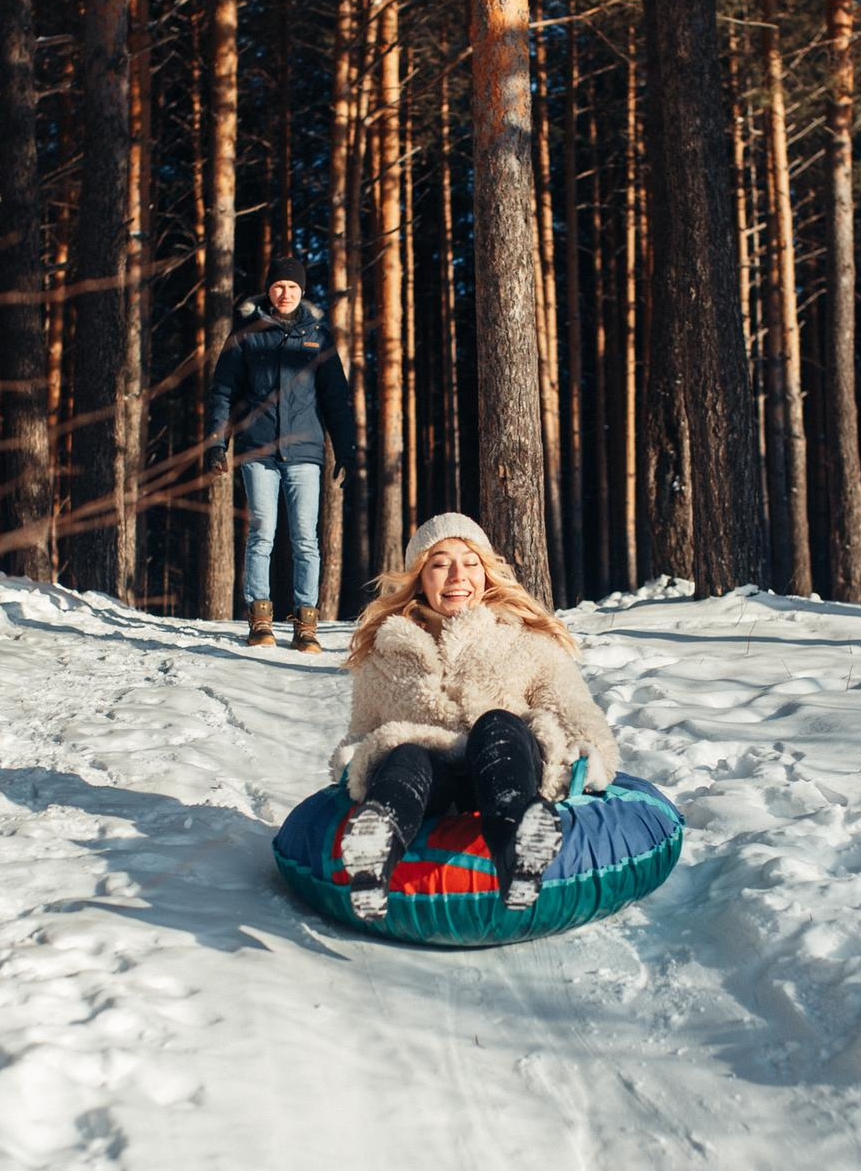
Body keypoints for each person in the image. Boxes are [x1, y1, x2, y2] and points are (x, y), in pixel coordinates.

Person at [329, 513, 619, 917]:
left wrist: (594, 755)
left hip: (509, 759)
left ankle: (518, 845)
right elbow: (363, 732)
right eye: (440, 563)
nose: (456, 576)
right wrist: (350, 761)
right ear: (419, 577)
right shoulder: (386, 656)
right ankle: (376, 851)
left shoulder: (522, 638)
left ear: (486, 573)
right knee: (406, 752)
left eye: (470, 563)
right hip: (436, 777)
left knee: (497, 723)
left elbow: (573, 707)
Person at [206, 256, 359, 651]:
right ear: (268, 290)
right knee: (262, 534)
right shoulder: (245, 336)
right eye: (278, 286)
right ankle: (260, 621)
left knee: (306, 539)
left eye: (292, 287)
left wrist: (345, 448)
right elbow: (222, 392)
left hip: (305, 453)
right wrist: (216, 442)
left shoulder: (319, 338)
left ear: (302, 291)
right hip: (258, 450)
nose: (284, 293)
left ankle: (306, 625)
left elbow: (336, 399)